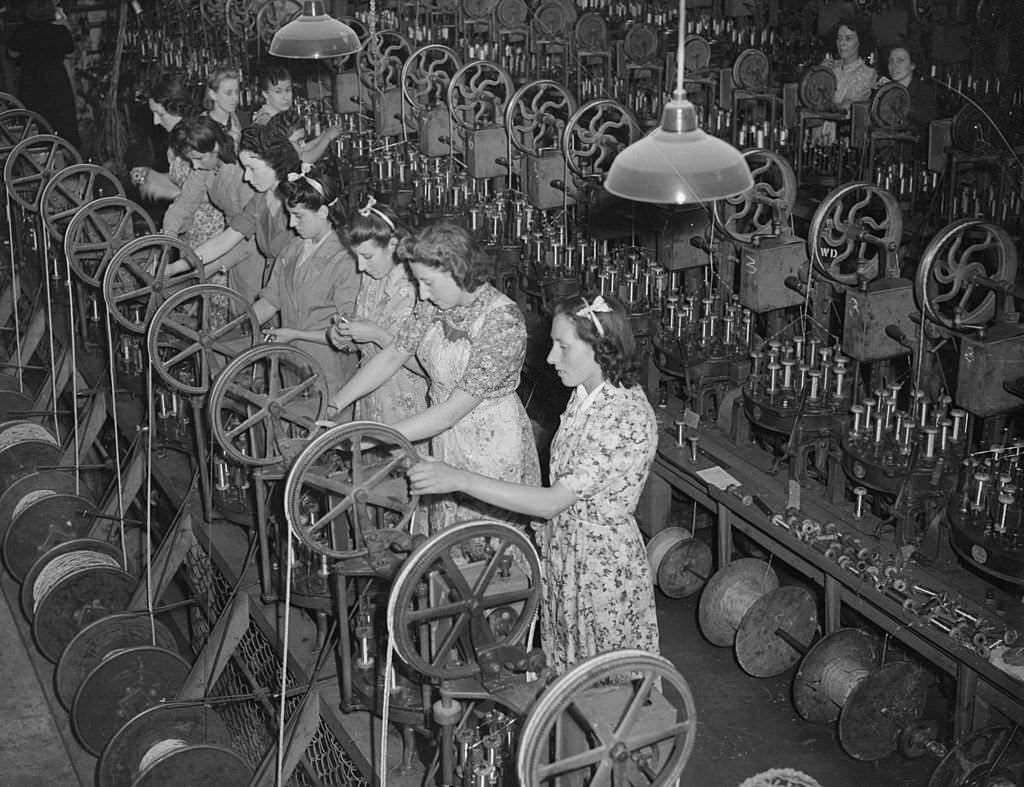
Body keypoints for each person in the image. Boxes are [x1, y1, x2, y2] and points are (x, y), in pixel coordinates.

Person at [406, 293, 660, 674]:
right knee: (564, 663)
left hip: (600, 568)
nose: (550, 358)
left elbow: (550, 502)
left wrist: (458, 478)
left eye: (563, 346)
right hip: (567, 552)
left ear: (600, 347)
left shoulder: (624, 416)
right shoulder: (584, 395)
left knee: (604, 681)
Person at [326, 221, 540, 533]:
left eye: (427, 282)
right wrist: (335, 405)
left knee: (484, 544)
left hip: (489, 443)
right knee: (446, 536)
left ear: (457, 271)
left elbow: (452, 411)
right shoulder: (434, 303)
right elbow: (394, 354)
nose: (421, 292)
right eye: (417, 282)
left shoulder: (502, 322)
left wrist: (371, 436)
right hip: (445, 435)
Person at [252, 166, 360, 393]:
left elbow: (349, 333)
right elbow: (271, 301)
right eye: (290, 215)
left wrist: (295, 335)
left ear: (323, 212)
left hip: (329, 372)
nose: (291, 224)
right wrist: (240, 324)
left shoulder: (346, 260)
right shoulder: (293, 248)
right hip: (293, 366)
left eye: (298, 216)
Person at [332, 198, 427, 425]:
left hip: (409, 409)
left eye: (367, 257)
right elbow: (367, 337)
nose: (361, 267)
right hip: (370, 400)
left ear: (393, 244)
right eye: (357, 257)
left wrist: (376, 334)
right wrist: (347, 333)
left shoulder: (421, 289)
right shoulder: (372, 277)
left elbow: (428, 368)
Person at [191, 124, 300, 305]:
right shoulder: (261, 199)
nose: (246, 178)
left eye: (252, 169)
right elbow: (224, 241)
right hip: (272, 290)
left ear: (274, 162)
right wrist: (178, 266)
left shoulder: (299, 205)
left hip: (293, 296)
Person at [131, 74, 231, 250]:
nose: (155, 121)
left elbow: (221, 190)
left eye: (159, 114)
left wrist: (168, 192)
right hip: (188, 229)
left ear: (176, 109)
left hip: (214, 235)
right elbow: (183, 180)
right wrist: (153, 176)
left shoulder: (201, 139)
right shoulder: (176, 143)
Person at [8, 0, 79, 148]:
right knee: (63, 123)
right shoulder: (59, 31)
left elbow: (12, 54)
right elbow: (71, 52)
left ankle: (39, 155)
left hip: (31, 81)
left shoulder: (23, 31)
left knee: (35, 124)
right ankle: (66, 159)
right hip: (56, 80)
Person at [822, 18, 877, 113]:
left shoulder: (867, 74)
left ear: (861, 41)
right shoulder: (830, 66)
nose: (841, 43)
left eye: (848, 38)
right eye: (839, 38)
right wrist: (819, 73)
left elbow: (844, 108)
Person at [880, 44, 937, 128]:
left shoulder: (924, 90)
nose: (894, 66)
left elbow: (926, 118)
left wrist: (896, 100)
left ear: (912, 65)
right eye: (891, 61)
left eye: (900, 60)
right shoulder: (886, 88)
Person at [267, 108, 346, 165]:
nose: (303, 144)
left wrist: (324, 134)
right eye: (298, 141)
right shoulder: (283, 160)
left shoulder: (291, 149)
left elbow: (304, 148)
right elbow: (307, 158)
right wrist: (327, 138)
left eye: (302, 140)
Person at [204, 64, 243, 144]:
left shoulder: (243, 121)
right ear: (212, 94)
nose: (235, 98)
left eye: (237, 92)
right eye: (228, 93)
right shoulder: (202, 126)